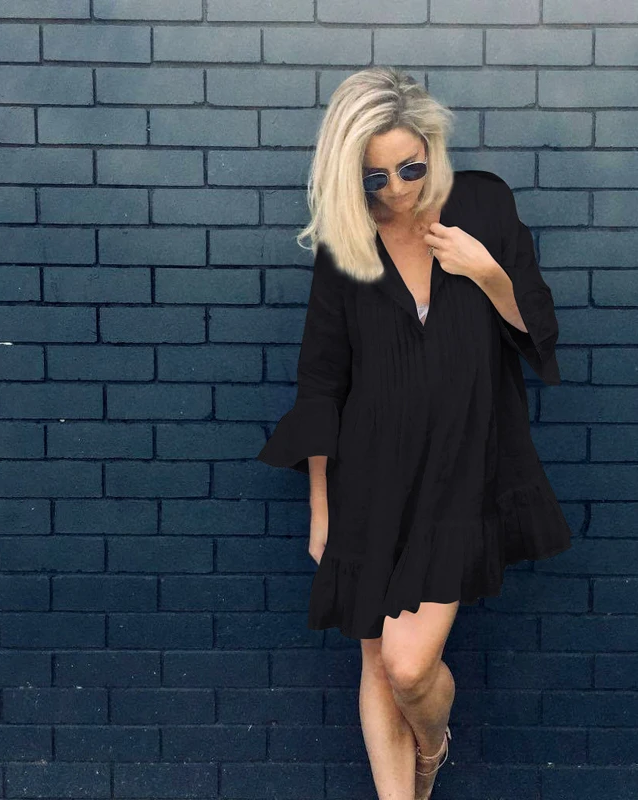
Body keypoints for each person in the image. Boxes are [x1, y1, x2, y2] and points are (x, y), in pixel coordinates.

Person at [256, 66, 573, 800]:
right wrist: (322, 511)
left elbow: (539, 331)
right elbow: (322, 383)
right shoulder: (347, 244)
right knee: (375, 663)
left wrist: (486, 271)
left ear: (430, 147)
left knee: (407, 666)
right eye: (376, 178)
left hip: (463, 473)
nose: (397, 191)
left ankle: (432, 745)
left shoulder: (483, 205)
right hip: (371, 481)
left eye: (410, 168)